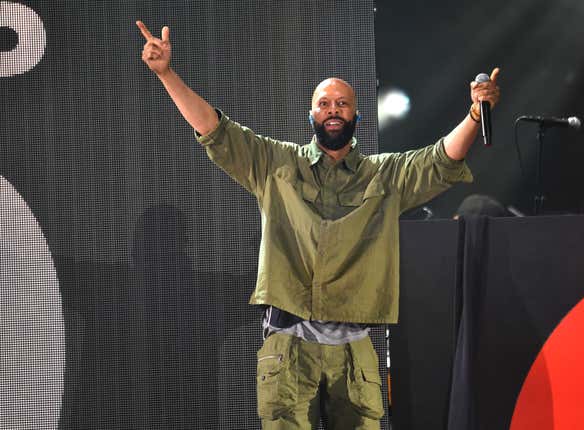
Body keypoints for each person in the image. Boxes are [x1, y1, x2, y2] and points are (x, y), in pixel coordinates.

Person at [136, 21, 500, 429]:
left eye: (341, 104)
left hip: (354, 350)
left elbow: (440, 161)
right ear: (311, 113)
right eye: (325, 103)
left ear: (356, 115)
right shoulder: (276, 164)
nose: (333, 110)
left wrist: (473, 114)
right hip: (288, 344)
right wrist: (167, 74)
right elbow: (215, 131)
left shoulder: (383, 175)